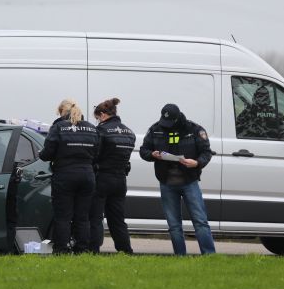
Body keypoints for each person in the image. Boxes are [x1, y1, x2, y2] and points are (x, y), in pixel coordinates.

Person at [139, 103, 216, 255]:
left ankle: (209, 256)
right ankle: (179, 256)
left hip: (189, 181)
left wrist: (197, 163)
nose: (166, 126)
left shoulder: (194, 129)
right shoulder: (155, 129)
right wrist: (151, 155)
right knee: (174, 225)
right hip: (166, 182)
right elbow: (143, 150)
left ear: (178, 118)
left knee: (200, 221)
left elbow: (206, 152)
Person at [39, 99, 100, 254]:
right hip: (87, 176)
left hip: (65, 176)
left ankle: (61, 250)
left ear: (62, 112)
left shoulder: (58, 127)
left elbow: (47, 154)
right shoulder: (92, 129)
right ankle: (82, 249)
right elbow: (97, 153)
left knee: (63, 216)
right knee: (83, 217)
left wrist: (42, 153)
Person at [87, 98, 137, 254]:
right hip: (120, 180)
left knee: (95, 217)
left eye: (97, 118)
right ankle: (125, 251)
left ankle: (93, 250)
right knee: (117, 219)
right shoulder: (129, 132)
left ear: (102, 115)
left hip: (101, 178)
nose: (97, 122)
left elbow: (94, 154)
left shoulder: (101, 131)